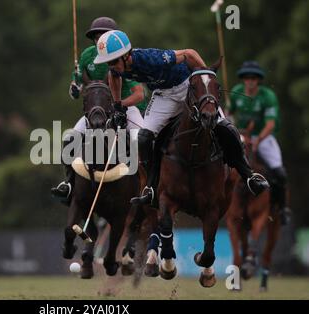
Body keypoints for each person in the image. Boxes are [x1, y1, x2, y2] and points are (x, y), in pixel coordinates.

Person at [93, 30, 270, 206]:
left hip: (187, 86)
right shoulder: (116, 68)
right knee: (144, 137)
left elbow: (188, 53)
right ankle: (151, 187)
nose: (112, 66)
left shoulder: (150, 58)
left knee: (225, 127)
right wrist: (117, 106)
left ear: (126, 56)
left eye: (114, 61)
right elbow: (114, 76)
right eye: (108, 62)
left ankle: (249, 176)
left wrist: (204, 75)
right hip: (164, 95)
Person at [51, 18, 147, 204]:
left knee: (141, 139)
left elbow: (140, 94)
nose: (99, 39)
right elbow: (77, 82)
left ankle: (147, 185)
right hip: (99, 111)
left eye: (102, 35)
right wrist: (74, 88)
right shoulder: (87, 56)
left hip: (127, 109)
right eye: (96, 36)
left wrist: (119, 105)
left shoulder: (123, 57)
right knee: (70, 139)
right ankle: (69, 183)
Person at [229, 61, 291, 225]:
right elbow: (228, 114)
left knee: (279, 172)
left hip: (262, 137)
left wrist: (257, 141)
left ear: (258, 80)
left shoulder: (267, 96)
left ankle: (282, 207)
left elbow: (270, 124)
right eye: (247, 78)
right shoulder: (236, 92)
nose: (250, 81)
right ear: (243, 79)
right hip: (240, 136)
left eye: (253, 78)